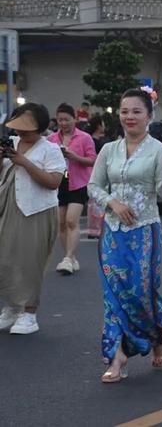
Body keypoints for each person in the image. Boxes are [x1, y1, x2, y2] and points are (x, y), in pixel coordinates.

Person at [88, 87, 162, 383]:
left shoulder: (160, 151)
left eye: (136, 111)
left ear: (149, 116)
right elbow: (94, 186)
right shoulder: (109, 150)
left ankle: (158, 336)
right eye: (124, 111)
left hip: (144, 231)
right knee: (113, 294)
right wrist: (112, 203)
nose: (129, 117)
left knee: (144, 292)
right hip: (112, 232)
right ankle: (117, 356)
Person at [0, 104, 65, 335]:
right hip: (8, 206)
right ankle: (11, 307)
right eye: (18, 128)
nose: (21, 133)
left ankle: (29, 312)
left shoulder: (50, 149)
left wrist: (24, 162)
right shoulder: (12, 144)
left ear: (41, 127)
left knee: (30, 263)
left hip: (36, 210)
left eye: (26, 129)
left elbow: (54, 182)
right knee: (5, 260)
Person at [47, 103, 96, 275]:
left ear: (74, 119)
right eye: (60, 120)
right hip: (60, 182)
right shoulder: (51, 139)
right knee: (61, 223)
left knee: (71, 220)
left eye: (67, 119)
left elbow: (92, 160)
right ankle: (71, 257)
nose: (63, 123)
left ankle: (68, 258)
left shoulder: (84, 138)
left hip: (79, 182)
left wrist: (74, 157)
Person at [86, 115, 107, 239]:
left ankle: (92, 229)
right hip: (97, 174)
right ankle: (97, 229)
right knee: (98, 203)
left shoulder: (93, 140)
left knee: (93, 203)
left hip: (90, 174)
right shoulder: (96, 142)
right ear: (99, 126)